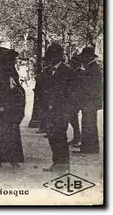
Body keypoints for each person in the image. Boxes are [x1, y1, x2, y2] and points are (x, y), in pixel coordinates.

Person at [0, 47, 26, 170]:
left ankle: (1, 160)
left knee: (1, 134)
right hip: (6, 107)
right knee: (9, 134)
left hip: (4, 107)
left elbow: (10, 90)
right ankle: (10, 160)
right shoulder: (7, 71)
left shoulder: (1, 71)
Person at [40, 43, 73, 173]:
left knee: (60, 136)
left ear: (59, 57)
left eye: (53, 56)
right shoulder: (47, 72)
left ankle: (63, 164)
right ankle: (57, 163)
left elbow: (72, 93)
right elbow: (42, 90)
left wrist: (69, 110)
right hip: (48, 110)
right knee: (52, 136)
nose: (51, 59)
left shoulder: (68, 71)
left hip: (62, 110)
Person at [76, 47, 102, 154]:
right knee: (89, 123)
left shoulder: (92, 68)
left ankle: (89, 148)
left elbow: (89, 85)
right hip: (91, 100)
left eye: (84, 56)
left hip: (90, 100)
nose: (83, 58)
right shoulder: (92, 67)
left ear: (89, 57)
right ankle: (89, 147)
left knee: (88, 123)